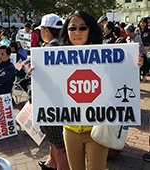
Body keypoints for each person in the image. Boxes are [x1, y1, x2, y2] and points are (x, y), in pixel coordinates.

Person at [58, 11, 108, 170]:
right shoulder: (54, 59)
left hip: (97, 130)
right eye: (72, 28)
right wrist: (38, 75)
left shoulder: (107, 57)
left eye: (82, 27)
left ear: (90, 30)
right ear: (66, 31)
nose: (77, 32)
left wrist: (133, 66)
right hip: (70, 130)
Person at [29, 13, 70, 170]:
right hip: (60, 103)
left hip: (49, 105)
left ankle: (57, 165)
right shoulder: (65, 47)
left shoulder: (48, 50)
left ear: (46, 30)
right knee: (55, 142)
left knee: (59, 146)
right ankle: (51, 163)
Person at [138, 17, 150, 82]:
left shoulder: (148, 32)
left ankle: (144, 75)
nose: (142, 24)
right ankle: (139, 75)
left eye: (143, 23)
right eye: (141, 22)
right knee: (139, 62)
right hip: (138, 48)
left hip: (145, 49)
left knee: (145, 62)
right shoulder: (138, 31)